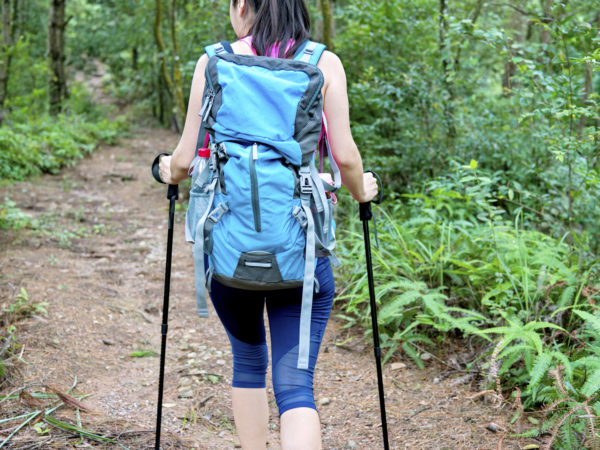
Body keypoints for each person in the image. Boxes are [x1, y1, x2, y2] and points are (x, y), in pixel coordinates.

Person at [158, 0, 378, 448]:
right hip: (299, 254)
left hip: (229, 256)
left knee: (247, 360)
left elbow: (183, 161)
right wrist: (362, 190)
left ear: (242, 6)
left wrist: (164, 169)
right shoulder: (322, 64)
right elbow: (346, 159)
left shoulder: (214, 61)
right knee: (295, 387)